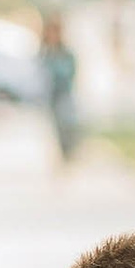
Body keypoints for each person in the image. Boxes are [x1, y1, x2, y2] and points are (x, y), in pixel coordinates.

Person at [40, 12, 82, 170]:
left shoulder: (66, 53)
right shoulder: (45, 53)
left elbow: (70, 74)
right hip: (50, 96)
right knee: (54, 128)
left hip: (63, 95)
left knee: (66, 124)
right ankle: (60, 156)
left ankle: (67, 154)